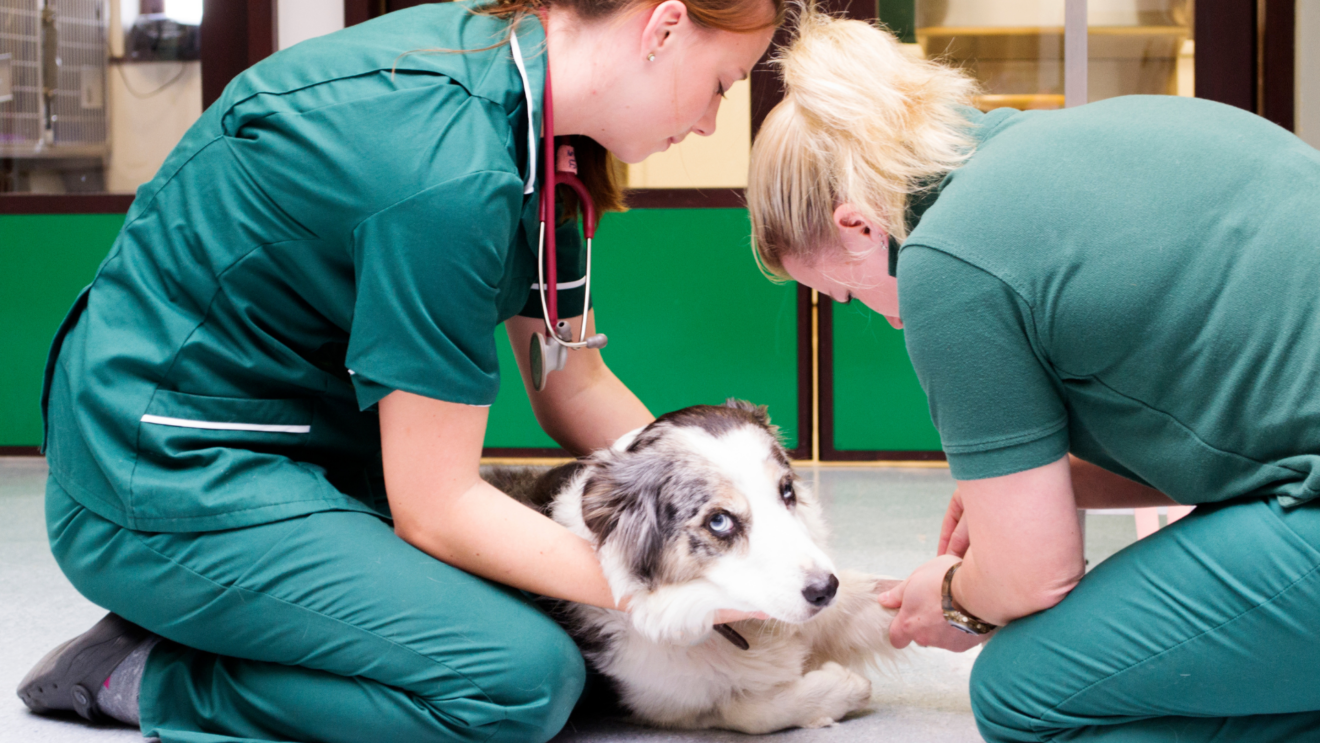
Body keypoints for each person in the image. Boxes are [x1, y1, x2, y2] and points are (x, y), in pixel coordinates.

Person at [17, 1, 779, 741]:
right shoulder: (447, 164)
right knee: (520, 677)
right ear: (665, 26)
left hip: (304, 454)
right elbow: (437, 506)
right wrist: (682, 584)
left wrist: (750, 523)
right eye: (721, 84)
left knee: (540, 591)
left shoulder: (546, 133)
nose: (713, 121)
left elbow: (573, 384)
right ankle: (145, 673)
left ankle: (247, 609)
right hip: (161, 473)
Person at [747, 8, 1320, 743]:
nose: (882, 317)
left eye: (849, 293)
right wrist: (1056, 482)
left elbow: (1034, 577)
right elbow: (1243, 424)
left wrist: (953, 597)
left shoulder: (946, 260)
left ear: (859, 227)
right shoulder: (1102, 135)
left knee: (1024, 691)